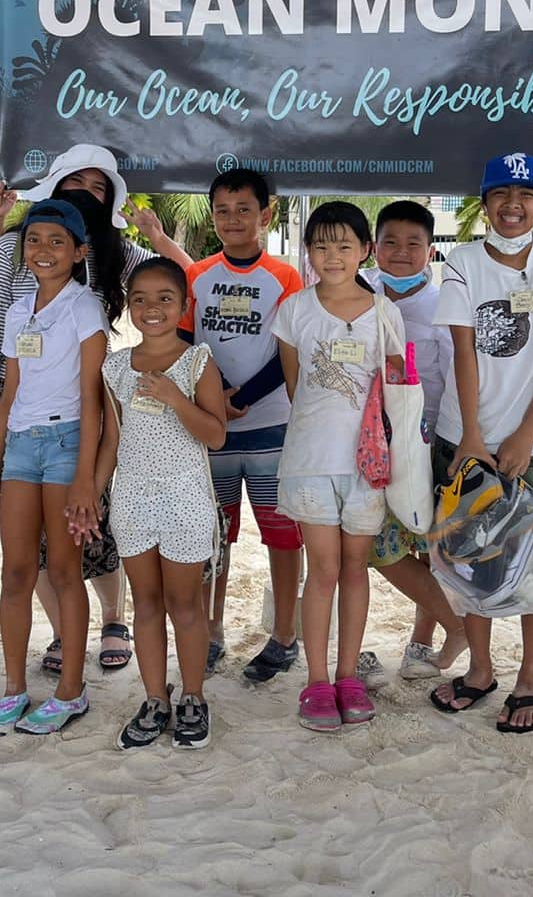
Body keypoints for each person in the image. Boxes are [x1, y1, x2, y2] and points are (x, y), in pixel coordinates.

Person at [0, 143, 190, 674]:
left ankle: (113, 617)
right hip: (16, 409)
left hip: (91, 409)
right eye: (76, 183)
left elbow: (184, 284)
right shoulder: (14, 247)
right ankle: (64, 634)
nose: (86, 193)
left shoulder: (117, 252)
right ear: (55, 186)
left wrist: (156, 237)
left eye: (98, 187)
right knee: (33, 540)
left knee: (93, 523)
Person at [429, 153, 533, 733]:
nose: (513, 205)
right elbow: (463, 349)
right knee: (470, 559)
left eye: (526, 196)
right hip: (462, 437)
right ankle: (479, 670)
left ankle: (532, 677)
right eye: (500, 194)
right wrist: (472, 434)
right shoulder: (463, 261)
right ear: (484, 203)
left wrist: (525, 433)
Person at [274, 202, 402, 733]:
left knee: (355, 568)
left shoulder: (384, 312)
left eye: (344, 245)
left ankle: (350, 676)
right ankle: (318, 679)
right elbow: (293, 386)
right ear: (308, 252)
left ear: (365, 250)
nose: (332, 256)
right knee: (323, 570)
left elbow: (396, 387)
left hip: (366, 467)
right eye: (321, 245)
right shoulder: (295, 310)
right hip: (309, 461)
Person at [0, 200, 108, 736]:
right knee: (15, 572)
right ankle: (13, 688)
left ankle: (70, 690)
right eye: (34, 240)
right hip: (19, 448)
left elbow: (92, 398)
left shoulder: (86, 308)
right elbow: (8, 391)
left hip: (65, 443)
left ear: (80, 252)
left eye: (58, 241)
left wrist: (85, 478)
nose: (44, 251)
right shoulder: (16, 310)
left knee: (63, 570)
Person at [178, 167, 304, 681]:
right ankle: (211, 633)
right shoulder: (197, 275)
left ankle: (284, 637)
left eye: (244, 210)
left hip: (273, 426)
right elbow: (186, 341)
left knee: (281, 534)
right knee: (215, 537)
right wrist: (216, 399)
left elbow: (286, 353)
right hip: (213, 430)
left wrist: (240, 397)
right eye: (223, 211)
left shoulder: (286, 276)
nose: (233, 220)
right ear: (213, 216)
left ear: (266, 215)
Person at [98, 259, 228, 749]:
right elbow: (112, 439)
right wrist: (92, 492)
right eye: (140, 299)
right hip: (132, 496)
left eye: (164, 299)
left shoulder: (197, 361)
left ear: (184, 306)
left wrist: (176, 396)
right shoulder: (114, 366)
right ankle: (155, 697)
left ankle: (193, 695)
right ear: (128, 306)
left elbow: (215, 435)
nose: (152, 309)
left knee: (184, 604)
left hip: (185, 498)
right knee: (146, 605)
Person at [360, 201, 467, 687]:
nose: (401, 253)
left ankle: (422, 646)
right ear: (373, 247)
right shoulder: (358, 291)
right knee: (374, 547)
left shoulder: (446, 305)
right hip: (364, 443)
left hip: (425, 443)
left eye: (414, 244)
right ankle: (457, 623)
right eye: (390, 243)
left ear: (431, 250)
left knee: (431, 547)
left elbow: (456, 379)